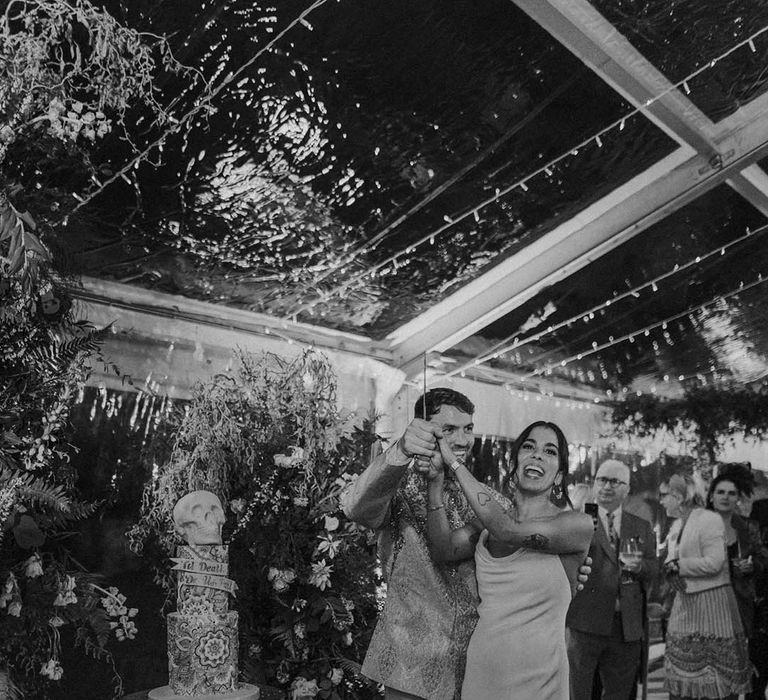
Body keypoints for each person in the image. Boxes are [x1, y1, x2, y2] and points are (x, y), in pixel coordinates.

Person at [341, 389, 591, 700]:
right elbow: (356, 508)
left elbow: (516, 545)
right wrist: (401, 450)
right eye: (448, 430)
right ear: (423, 428)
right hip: (413, 664)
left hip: (474, 665)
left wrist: (570, 573)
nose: (461, 440)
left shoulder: (491, 501)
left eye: (468, 428)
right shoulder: (398, 486)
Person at [424, 420, 594, 699]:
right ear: (515, 462)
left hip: (541, 680)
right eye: (529, 446)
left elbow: (507, 530)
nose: (537, 454)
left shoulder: (576, 525)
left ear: (560, 476)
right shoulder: (486, 527)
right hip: (482, 674)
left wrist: (453, 463)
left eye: (550, 451)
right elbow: (444, 550)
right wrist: (435, 484)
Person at [566, 459, 658, 700]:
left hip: (626, 625)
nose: (607, 486)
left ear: (627, 489)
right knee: (577, 692)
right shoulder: (578, 519)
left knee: (619, 693)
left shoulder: (641, 526)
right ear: (594, 485)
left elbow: (654, 567)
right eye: (602, 480)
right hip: (584, 622)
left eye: (615, 481)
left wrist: (640, 566)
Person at [660, 472, 752, 700]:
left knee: (715, 684)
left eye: (664, 496)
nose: (661, 501)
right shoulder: (677, 526)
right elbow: (670, 563)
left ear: (679, 496)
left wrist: (677, 566)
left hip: (712, 608)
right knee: (681, 685)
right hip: (684, 608)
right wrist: (671, 569)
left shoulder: (708, 519)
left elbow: (715, 562)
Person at [706, 467, 768, 700]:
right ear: (711, 495)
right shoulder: (698, 523)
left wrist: (752, 565)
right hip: (704, 605)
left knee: (732, 678)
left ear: (738, 498)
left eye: (731, 493)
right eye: (720, 492)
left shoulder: (748, 526)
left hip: (737, 607)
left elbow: (762, 557)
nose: (725, 497)